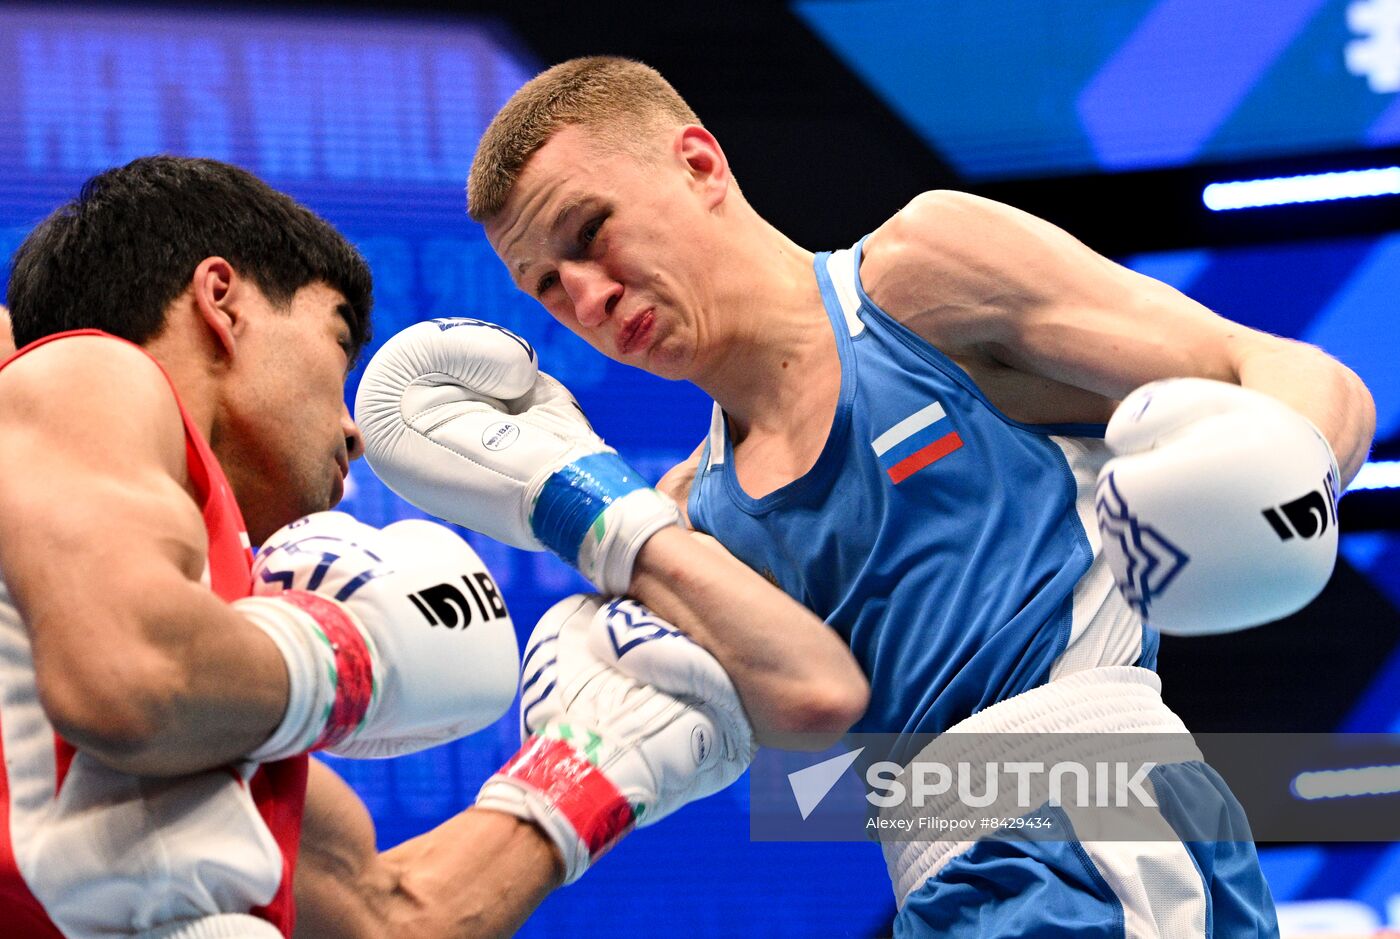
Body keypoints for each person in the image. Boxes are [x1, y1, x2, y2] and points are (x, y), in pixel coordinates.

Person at [353, 57, 1378, 937]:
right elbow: (810, 724)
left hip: (1102, 830)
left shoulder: (914, 281)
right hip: (938, 881)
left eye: (589, 233)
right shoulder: (691, 516)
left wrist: (1277, 476)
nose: (585, 295)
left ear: (698, 165)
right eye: (545, 287)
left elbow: (1288, 376)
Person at [0, 155, 769, 938]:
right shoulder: (84, 374)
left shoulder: (221, 703)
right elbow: (134, 674)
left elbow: (392, 917)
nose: (353, 430)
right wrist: (357, 646)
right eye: (338, 343)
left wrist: (598, 759)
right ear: (222, 304)